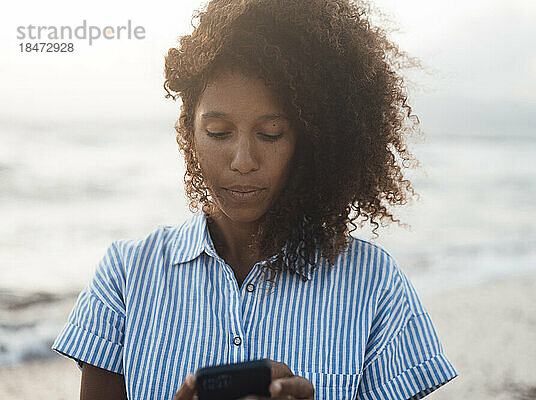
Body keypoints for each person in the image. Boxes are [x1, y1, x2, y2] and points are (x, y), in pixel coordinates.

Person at [52, 0, 458, 399]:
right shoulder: (126, 276)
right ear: (190, 132)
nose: (243, 161)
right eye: (218, 131)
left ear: (311, 140)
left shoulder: (374, 287)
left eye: (271, 134)